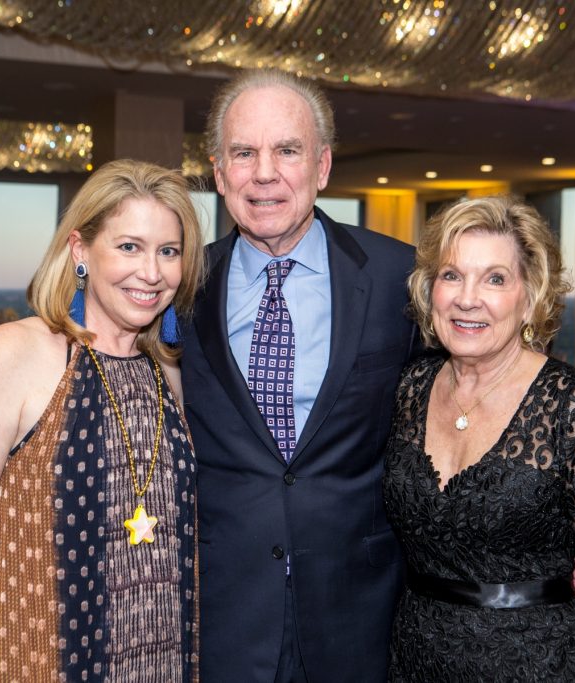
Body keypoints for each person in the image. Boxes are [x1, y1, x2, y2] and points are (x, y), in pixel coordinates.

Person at [180, 69, 420, 682]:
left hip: (361, 611)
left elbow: (466, 405)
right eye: (244, 153)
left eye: (286, 151)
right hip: (223, 615)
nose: (265, 173)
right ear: (218, 171)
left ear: (322, 166)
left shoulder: (401, 277)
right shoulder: (178, 290)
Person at [0, 159, 205, 683]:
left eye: (168, 251)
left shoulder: (169, 369)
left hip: (160, 659)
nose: (151, 272)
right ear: (80, 250)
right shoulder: (17, 352)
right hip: (35, 656)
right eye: (129, 246)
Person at [384, 195, 575, 682]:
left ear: (530, 296)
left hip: (534, 665)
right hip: (414, 659)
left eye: (495, 279)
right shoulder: (411, 387)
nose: (467, 297)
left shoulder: (574, 406)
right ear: (429, 289)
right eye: (451, 275)